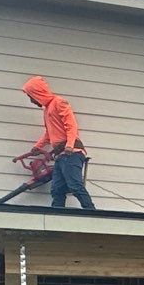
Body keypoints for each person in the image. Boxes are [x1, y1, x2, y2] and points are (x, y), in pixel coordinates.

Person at [23, 75, 95, 210]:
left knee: (75, 185)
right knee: (57, 189)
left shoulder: (59, 102)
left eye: (31, 97)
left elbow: (71, 125)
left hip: (72, 153)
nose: (32, 101)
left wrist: (69, 145)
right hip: (61, 155)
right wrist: (37, 146)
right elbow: (48, 133)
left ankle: (91, 212)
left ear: (38, 93)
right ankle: (56, 214)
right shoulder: (47, 110)